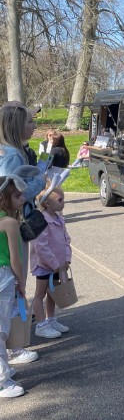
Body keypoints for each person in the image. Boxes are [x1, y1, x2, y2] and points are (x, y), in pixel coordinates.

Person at [0, 103, 46, 366]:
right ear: (17, 125)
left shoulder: (10, 152)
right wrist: (40, 178)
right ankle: (13, 348)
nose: (34, 126)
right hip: (14, 224)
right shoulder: (13, 155)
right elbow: (14, 192)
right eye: (30, 121)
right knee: (15, 283)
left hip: (12, 223)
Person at [30, 185, 71, 339]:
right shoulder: (42, 221)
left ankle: (51, 319)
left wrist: (66, 259)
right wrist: (55, 265)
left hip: (58, 265)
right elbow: (41, 247)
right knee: (40, 293)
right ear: (47, 204)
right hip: (44, 265)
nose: (63, 203)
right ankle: (41, 325)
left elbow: (66, 239)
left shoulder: (59, 218)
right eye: (60, 200)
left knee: (52, 293)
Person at [0, 175, 28, 398]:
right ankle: (2, 381)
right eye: (17, 195)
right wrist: (21, 283)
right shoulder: (9, 223)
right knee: (1, 330)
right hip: (3, 278)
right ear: (3, 199)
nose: (23, 199)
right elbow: (15, 259)